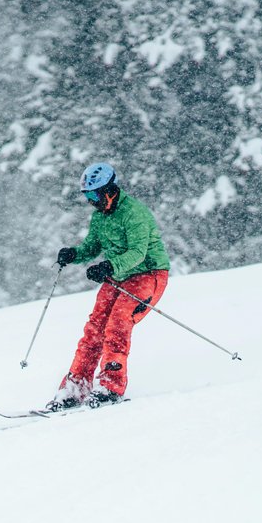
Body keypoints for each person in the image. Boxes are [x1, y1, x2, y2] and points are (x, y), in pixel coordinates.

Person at [47, 162, 171, 411]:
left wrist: (109, 266)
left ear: (109, 190)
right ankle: (75, 388)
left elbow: (137, 252)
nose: (92, 201)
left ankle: (111, 387)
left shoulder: (134, 213)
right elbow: (91, 247)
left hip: (148, 274)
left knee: (118, 323)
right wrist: (73, 254)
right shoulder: (100, 217)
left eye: (94, 195)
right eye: (87, 196)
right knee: (94, 328)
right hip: (119, 275)